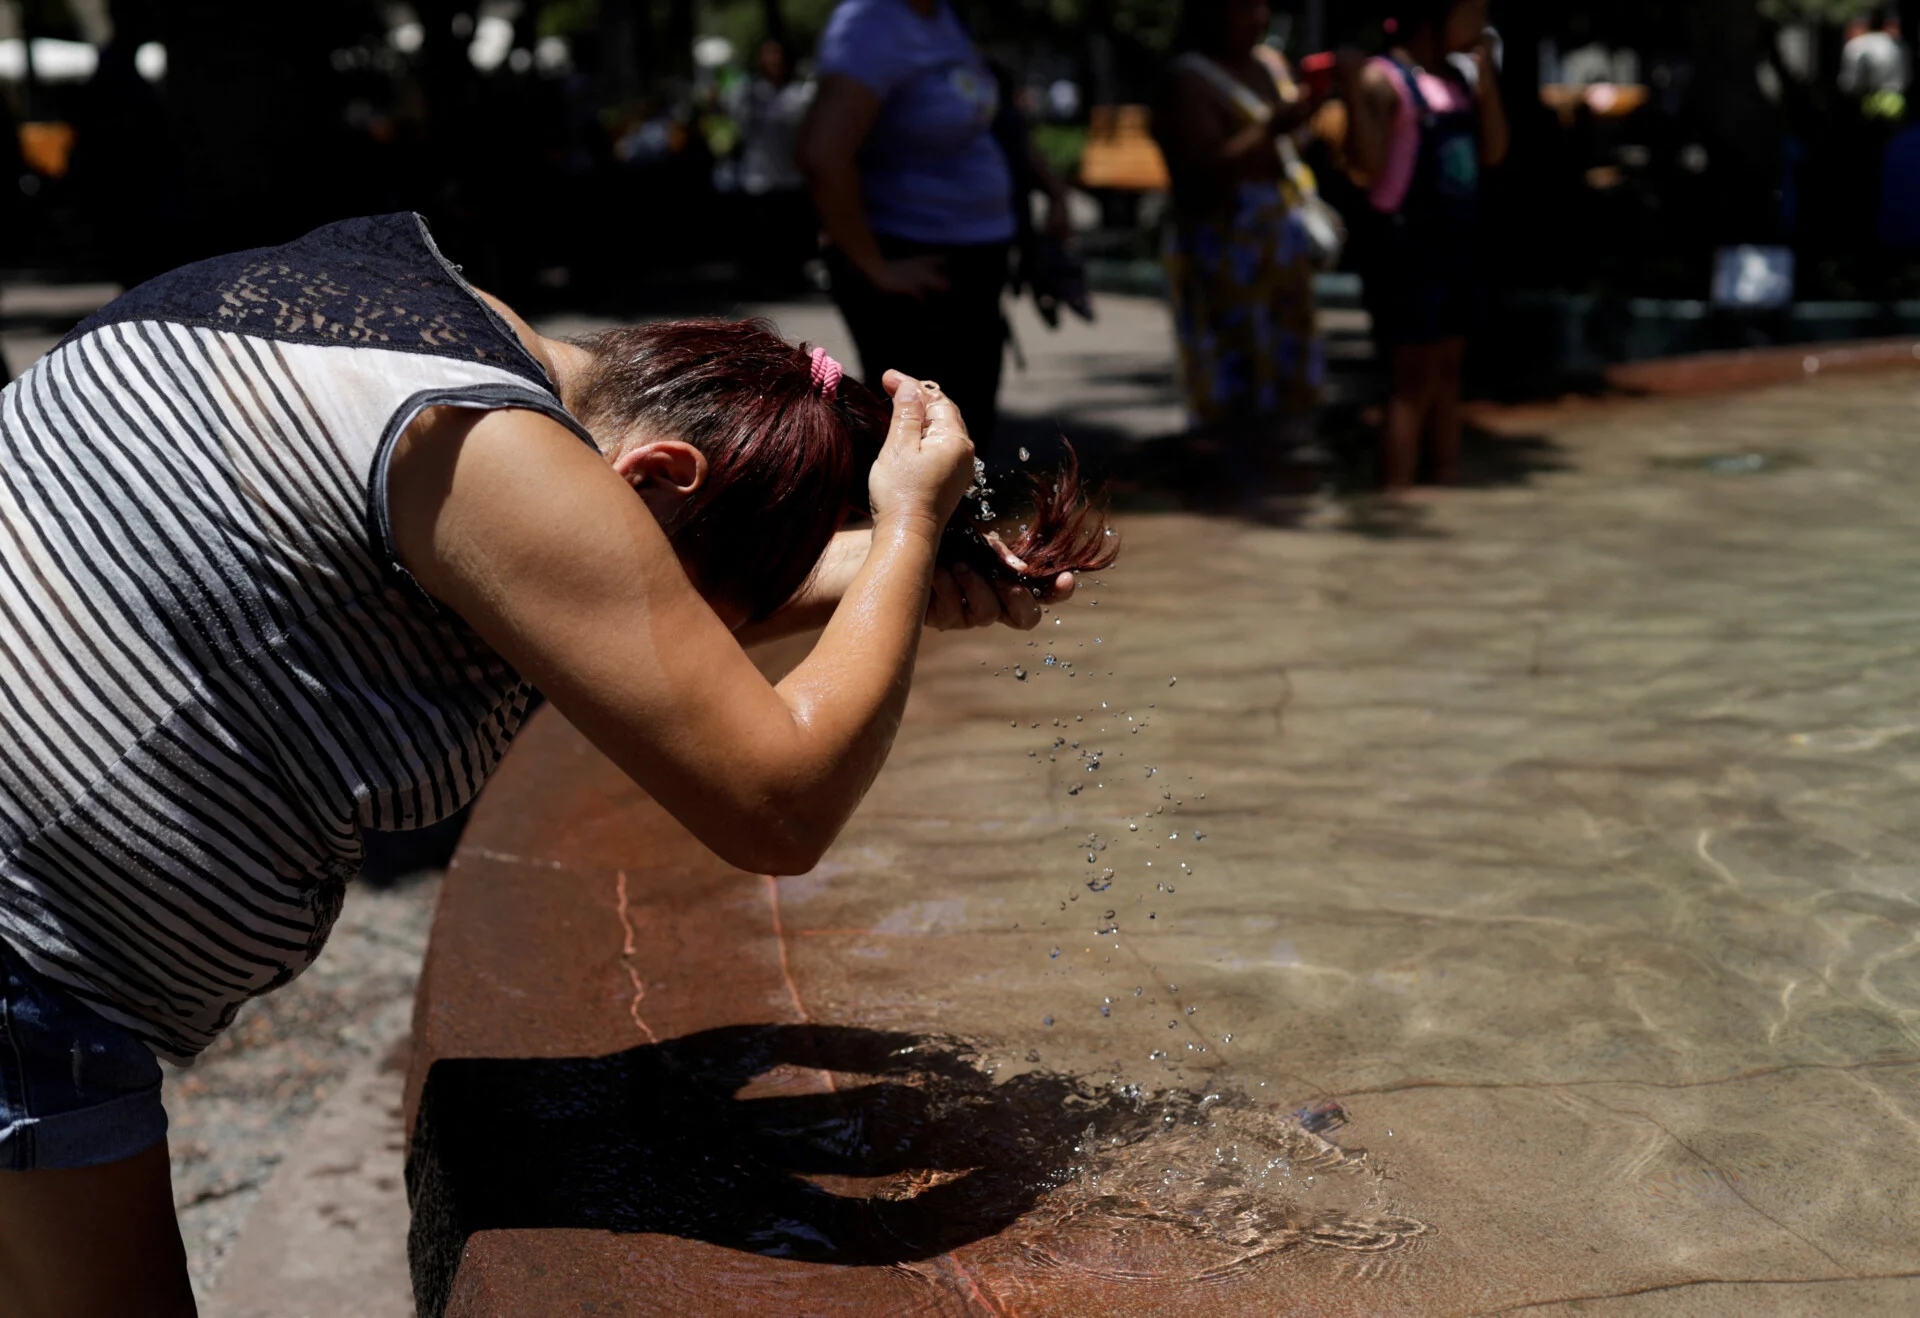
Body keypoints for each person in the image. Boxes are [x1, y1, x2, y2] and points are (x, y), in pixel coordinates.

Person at [0, 212, 1112, 1316]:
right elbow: (779, 803)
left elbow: (627, 602)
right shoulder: (490, 447)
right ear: (659, 474)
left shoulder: (442, 337)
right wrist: (909, 526)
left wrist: (891, 578)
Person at [798, 0, 1069, 447]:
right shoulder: (871, 23)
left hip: (972, 263)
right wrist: (877, 267)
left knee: (967, 440)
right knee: (925, 446)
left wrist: (1053, 191)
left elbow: (988, 124)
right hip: (916, 268)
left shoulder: (942, 15)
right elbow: (822, 154)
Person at [1341, 0, 1507, 492]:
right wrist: (1352, 94)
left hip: (1457, 243)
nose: (1482, 25)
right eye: (1472, 13)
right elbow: (1368, 167)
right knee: (1411, 379)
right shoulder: (1383, 79)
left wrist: (1487, 81)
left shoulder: (1459, 82)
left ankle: (1444, 482)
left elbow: (1494, 151)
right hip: (1408, 249)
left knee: (1449, 373)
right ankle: (1397, 493)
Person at [1155, 0, 1327, 470]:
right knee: (1235, 374)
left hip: (1275, 240)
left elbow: (1292, 147)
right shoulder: (1188, 78)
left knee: (1287, 372)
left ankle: (1278, 476)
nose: (1259, 17)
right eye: (1244, 6)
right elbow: (1198, 171)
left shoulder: (1268, 65)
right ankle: (1235, 485)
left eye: (1264, 5)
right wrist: (1270, 128)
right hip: (1222, 243)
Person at [729, 37, 819, 293]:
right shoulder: (748, 93)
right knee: (763, 236)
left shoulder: (797, 95)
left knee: (792, 236)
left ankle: (792, 281)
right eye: (768, 56)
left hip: (790, 177)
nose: (773, 62)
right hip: (758, 177)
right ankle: (764, 281)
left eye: (777, 56)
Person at [1841, 8, 1910, 121]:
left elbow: (1849, 83)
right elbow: (1907, 76)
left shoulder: (1855, 46)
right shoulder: (1900, 47)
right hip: (1894, 101)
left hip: (1865, 102)